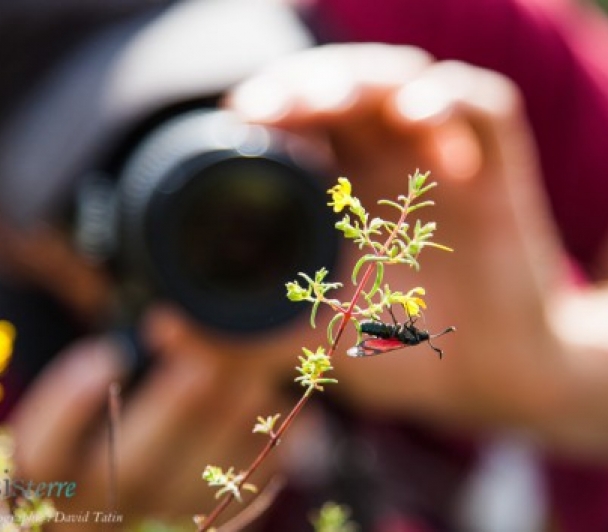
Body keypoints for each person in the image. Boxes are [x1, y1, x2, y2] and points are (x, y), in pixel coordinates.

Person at [2, 0, 608, 531]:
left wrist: (556, 369)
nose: (226, 228)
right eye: (105, 162)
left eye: (229, 110)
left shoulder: (414, 40)